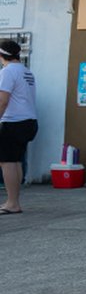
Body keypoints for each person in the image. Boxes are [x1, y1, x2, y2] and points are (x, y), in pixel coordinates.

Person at [0, 40, 37, 215]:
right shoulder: (26, 71)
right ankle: (14, 201)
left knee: (7, 162)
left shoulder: (7, 72)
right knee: (15, 161)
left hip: (13, 122)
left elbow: (3, 101)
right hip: (29, 121)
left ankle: (12, 203)